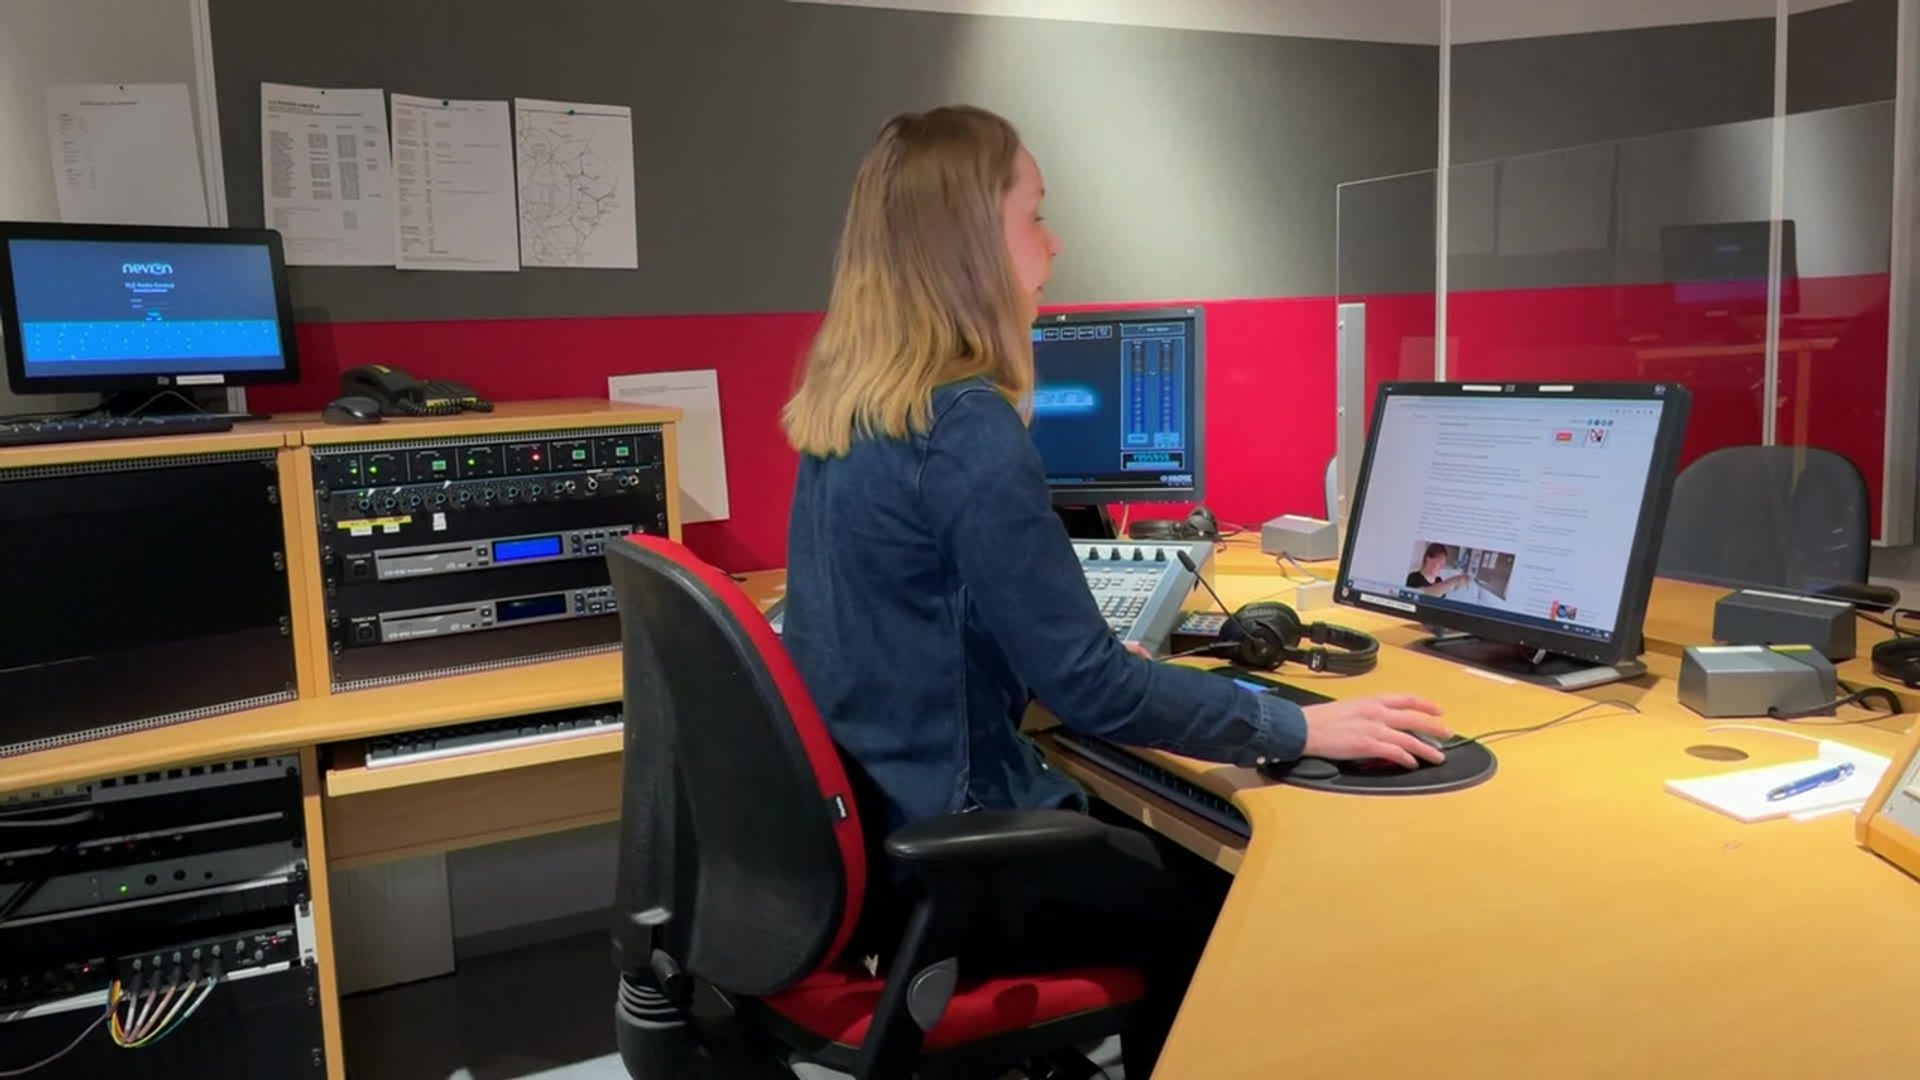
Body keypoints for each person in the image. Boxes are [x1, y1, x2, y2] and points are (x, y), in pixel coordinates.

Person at [778, 105, 1449, 1076]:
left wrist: (1062, 660)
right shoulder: (966, 426)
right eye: (1035, 214)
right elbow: (1093, 691)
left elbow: (911, 621)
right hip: (966, 849)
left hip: (883, 830)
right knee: (1235, 898)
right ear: (972, 241)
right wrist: (1297, 727)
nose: (1054, 243)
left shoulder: (853, 408)